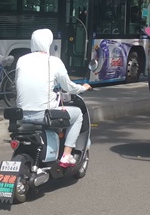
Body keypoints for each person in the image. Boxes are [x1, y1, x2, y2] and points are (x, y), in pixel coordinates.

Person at [15, 28, 92, 168]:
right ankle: (66, 155)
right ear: (48, 43)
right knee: (78, 115)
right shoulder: (54, 61)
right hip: (45, 115)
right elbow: (69, 87)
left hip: (22, 115)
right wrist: (83, 88)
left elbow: (18, 83)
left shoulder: (21, 60)